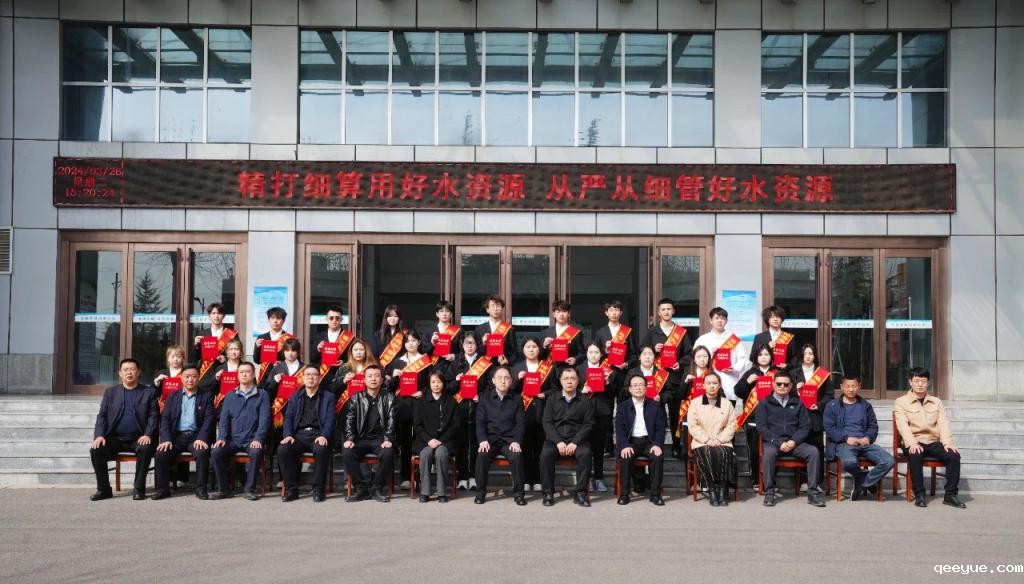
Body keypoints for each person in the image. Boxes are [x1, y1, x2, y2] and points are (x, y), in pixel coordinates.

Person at [893, 367, 965, 509]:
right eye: (916, 381)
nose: (920, 384)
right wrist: (912, 443)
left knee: (954, 455)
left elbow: (943, 423)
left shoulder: (936, 402)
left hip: (932, 441)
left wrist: (947, 443)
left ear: (928, 383)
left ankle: (950, 495)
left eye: (923, 381)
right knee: (915, 454)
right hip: (914, 440)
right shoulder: (901, 402)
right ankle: (920, 494)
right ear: (910, 382)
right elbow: (902, 425)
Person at [88, 359, 159, 501]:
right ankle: (104, 490)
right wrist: (99, 435)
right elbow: (102, 415)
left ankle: (139, 489)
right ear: (120, 373)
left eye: (132, 369)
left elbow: (154, 416)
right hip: (115, 438)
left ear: (138, 372)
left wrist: (147, 434)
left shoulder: (148, 392)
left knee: (145, 448)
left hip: (139, 437)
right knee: (96, 450)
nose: (129, 373)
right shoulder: (111, 392)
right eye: (126, 370)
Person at [755, 370, 826, 508]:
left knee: (813, 452)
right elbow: (762, 427)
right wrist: (777, 442)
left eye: (786, 384)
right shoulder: (764, 403)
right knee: (768, 454)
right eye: (779, 384)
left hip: (794, 443)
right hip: (774, 443)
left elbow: (805, 426)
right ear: (773, 384)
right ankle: (769, 492)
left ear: (791, 386)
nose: (782, 386)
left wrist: (794, 441)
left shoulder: (798, 403)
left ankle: (813, 493)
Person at [823, 373, 894, 501]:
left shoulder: (865, 405)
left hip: (864, 443)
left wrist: (868, 437)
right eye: (848, 386)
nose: (851, 389)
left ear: (859, 386)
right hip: (844, 444)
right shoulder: (832, 406)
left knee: (889, 461)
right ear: (842, 387)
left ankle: (863, 482)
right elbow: (829, 428)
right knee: (849, 462)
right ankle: (864, 478)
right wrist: (846, 438)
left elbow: (873, 426)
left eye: (854, 386)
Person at [641, 298, 695, 459]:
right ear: (659, 312)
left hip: (675, 380)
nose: (666, 312)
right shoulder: (652, 332)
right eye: (663, 309)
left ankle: (676, 446)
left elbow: (689, 354)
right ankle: (653, 444)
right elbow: (641, 351)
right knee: (654, 413)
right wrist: (653, 349)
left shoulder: (681, 332)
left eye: (669, 309)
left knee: (675, 415)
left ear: (673, 311)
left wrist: (680, 363)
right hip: (656, 379)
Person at [153, 364, 214, 500]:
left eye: (193, 376)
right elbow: (165, 419)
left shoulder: (206, 396)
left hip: (196, 437)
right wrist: (166, 439)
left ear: (198, 378)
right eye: (187, 376)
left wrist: (202, 438)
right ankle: (162, 490)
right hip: (176, 437)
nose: (190, 380)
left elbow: (209, 419)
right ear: (181, 378)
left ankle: (201, 489)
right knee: (161, 454)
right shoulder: (172, 396)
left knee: (202, 452)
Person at [210, 362, 271, 501]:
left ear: (253, 375)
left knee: (256, 451)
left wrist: (258, 439)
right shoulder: (230, 395)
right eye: (241, 372)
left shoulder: (262, 395)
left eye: (247, 372)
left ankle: (249, 489)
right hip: (233, 440)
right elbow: (224, 420)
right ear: (237, 375)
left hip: (252, 440)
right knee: (216, 452)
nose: (244, 374)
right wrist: (221, 438)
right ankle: (224, 489)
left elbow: (265, 420)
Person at [278, 366, 336, 503]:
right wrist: (288, 435)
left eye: (314, 374)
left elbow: (331, 419)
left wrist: (324, 435)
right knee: (283, 449)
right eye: (308, 374)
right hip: (298, 436)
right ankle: (292, 490)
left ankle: (318, 490)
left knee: (321, 449)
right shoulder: (295, 397)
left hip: (318, 435)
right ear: (303, 378)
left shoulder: (328, 397)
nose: (311, 377)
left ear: (319, 378)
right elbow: (288, 418)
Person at [444, 333, 493, 490]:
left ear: (477, 345)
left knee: (476, 444)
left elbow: (491, 387)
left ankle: (474, 477)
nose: (470, 346)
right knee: (461, 443)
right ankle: (462, 476)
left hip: (479, 409)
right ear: (462, 345)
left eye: (472, 343)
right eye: (467, 343)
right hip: (460, 409)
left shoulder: (484, 363)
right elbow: (446, 387)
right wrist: (456, 381)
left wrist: (481, 397)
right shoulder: (455, 363)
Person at [539, 368, 595, 507]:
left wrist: (575, 442)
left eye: (573, 378)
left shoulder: (585, 401)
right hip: (556, 440)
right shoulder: (552, 399)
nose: (569, 381)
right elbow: (547, 422)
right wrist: (558, 441)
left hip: (577, 440)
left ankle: (580, 492)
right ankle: (548, 493)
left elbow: (588, 424)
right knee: (546, 454)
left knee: (585, 453)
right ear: (560, 381)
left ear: (578, 381)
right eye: (566, 378)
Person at [340, 365, 395, 503]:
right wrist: (350, 438)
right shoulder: (356, 397)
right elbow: (350, 420)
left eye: (377, 376)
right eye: (369, 376)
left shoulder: (389, 397)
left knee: (388, 453)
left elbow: (391, 420)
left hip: (380, 439)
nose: (373, 379)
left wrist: (388, 438)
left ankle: (377, 488)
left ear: (382, 379)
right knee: (347, 452)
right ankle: (361, 488)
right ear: (364, 380)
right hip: (361, 439)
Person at [474, 365, 527, 506]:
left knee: (517, 455)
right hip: (490, 440)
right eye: (499, 378)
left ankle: (519, 494)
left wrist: (516, 441)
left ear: (511, 381)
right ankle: (480, 493)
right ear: (493, 380)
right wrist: (482, 440)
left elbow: (520, 423)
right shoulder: (485, 398)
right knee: (482, 455)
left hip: (509, 440)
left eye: (506, 378)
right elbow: (480, 421)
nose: (503, 381)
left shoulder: (517, 399)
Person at [387, 331, 432, 489]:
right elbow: (391, 389)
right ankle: (405, 477)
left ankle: (422, 477)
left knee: (421, 441)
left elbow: (432, 384)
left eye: (414, 340)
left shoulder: (425, 361)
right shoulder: (398, 362)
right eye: (407, 341)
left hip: (420, 405)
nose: (410, 343)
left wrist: (423, 392)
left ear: (419, 342)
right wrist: (395, 377)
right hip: (403, 406)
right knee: (405, 443)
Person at [614, 373, 666, 506]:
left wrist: (657, 444)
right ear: (630, 389)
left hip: (649, 442)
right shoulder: (623, 407)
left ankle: (655, 495)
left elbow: (660, 428)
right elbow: (619, 429)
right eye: (635, 385)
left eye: (641, 385)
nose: (638, 388)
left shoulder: (655, 406)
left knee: (657, 456)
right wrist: (624, 445)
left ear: (646, 388)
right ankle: (624, 494)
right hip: (630, 442)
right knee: (626, 456)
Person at [512, 336, 556, 492]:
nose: (531, 350)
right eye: (528, 347)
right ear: (523, 349)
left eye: (534, 347)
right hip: (523, 411)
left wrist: (545, 394)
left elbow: (555, 389)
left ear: (539, 349)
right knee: (524, 447)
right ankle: (525, 479)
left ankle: (537, 479)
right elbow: (510, 391)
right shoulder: (516, 368)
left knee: (539, 448)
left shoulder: (548, 367)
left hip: (541, 411)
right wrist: (518, 379)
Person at [687, 372, 737, 507]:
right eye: (708, 383)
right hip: (701, 442)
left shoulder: (727, 404)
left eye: (715, 383)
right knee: (709, 453)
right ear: (703, 385)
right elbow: (693, 426)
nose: (712, 386)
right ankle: (712, 488)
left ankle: (722, 489)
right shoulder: (695, 403)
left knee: (723, 452)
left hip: (723, 441)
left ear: (719, 385)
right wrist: (707, 440)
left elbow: (731, 425)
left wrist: (720, 439)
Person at [413, 372, 461, 502]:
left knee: (441, 453)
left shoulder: (451, 401)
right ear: (429, 384)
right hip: (425, 441)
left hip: (445, 441)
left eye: (439, 382)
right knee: (425, 454)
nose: (436, 385)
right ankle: (425, 492)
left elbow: (455, 426)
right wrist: (429, 440)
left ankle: (442, 492)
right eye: (433, 382)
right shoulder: (422, 402)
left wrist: (441, 440)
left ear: (443, 383)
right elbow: (417, 426)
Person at [790, 343, 833, 484]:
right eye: (805, 353)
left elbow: (829, 395)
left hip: (815, 416)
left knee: (817, 448)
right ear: (801, 355)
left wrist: (819, 405)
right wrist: (795, 390)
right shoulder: (793, 373)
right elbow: (785, 392)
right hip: (798, 416)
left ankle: (817, 482)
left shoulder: (822, 374)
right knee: (800, 447)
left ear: (815, 356)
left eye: (811, 353)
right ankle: (801, 481)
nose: (808, 356)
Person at [576, 342, 613, 493]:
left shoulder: (607, 369)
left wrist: (608, 382)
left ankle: (599, 478)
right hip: (583, 413)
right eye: (590, 352)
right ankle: (587, 479)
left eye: (596, 352)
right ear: (586, 354)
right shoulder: (579, 369)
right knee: (585, 448)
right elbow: (570, 388)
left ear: (601, 354)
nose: (593, 355)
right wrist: (581, 390)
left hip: (601, 412)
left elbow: (613, 394)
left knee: (598, 448)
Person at [693, 307, 747, 401]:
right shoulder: (702, 339)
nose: (720, 321)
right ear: (711, 320)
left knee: (728, 408)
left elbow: (742, 359)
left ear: (726, 321)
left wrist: (733, 368)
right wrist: (711, 353)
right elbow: (695, 359)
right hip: (707, 381)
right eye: (717, 318)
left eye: (723, 318)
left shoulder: (733, 339)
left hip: (728, 381)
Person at [592, 300, 637, 412]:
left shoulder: (628, 331)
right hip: (606, 374)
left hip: (623, 375)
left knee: (624, 406)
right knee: (607, 407)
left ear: (621, 313)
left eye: (616, 310)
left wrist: (626, 364)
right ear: (606, 313)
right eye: (611, 310)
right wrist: (605, 350)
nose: (614, 313)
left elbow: (634, 355)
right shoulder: (600, 333)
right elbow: (593, 356)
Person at [308, 304, 355, 382]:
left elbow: (354, 358)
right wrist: (318, 350)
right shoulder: (318, 336)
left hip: (342, 377)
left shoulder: (349, 337)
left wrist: (344, 362)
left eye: (337, 318)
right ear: (326, 319)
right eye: (331, 318)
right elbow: (312, 358)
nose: (334, 320)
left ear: (341, 319)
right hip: (323, 377)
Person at [191, 302, 237, 372]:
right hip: (207, 372)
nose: (216, 316)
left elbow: (238, 353)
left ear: (223, 316)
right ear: (209, 316)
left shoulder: (231, 334)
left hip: (224, 370)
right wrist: (196, 345)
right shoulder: (202, 334)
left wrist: (226, 358)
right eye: (213, 313)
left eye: (219, 313)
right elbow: (195, 358)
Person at [253, 306, 292, 386]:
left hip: (283, 374)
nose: (275, 321)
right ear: (269, 320)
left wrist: (281, 363)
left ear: (284, 320)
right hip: (265, 376)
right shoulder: (262, 338)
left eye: (278, 318)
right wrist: (257, 347)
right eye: (273, 318)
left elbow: (293, 359)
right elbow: (256, 360)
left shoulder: (289, 338)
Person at [473, 295, 517, 366]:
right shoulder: (479, 329)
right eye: (492, 306)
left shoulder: (509, 329)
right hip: (485, 367)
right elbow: (475, 352)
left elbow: (514, 352)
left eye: (498, 306)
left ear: (502, 309)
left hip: (503, 367)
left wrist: (508, 361)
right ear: (487, 310)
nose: (495, 309)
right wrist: (483, 343)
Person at [539, 299, 584, 366]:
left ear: (568, 314)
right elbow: (539, 356)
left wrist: (575, 359)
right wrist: (544, 346)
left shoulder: (576, 333)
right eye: (558, 311)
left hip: (568, 369)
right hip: (551, 369)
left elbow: (582, 354)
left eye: (564, 311)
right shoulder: (546, 332)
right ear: (554, 314)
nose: (561, 314)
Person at [751, 305, 797, 370]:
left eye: (778, 317)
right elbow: (752, 357)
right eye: (772, 317)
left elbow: (794, 358)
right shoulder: (759, 337)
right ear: (767, 319)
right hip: (765, 373)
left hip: (783, 374)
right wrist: (767, 347)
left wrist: (787, 366)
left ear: (782, 319)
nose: (775, 319)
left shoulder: (789, 337)